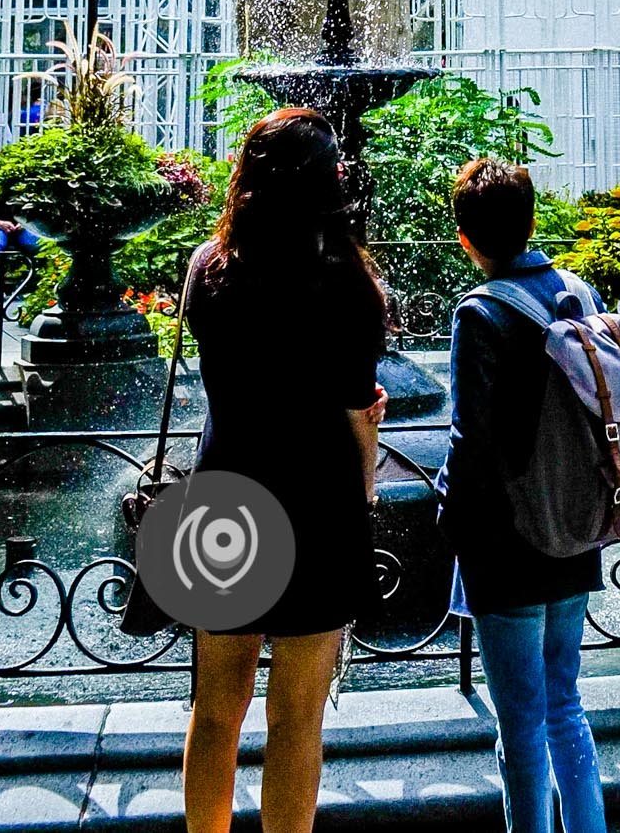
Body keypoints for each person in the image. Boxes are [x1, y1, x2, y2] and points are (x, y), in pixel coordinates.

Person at [180, 108, 387, 833]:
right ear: (328, 184)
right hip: (318, 505)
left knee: (215, 710)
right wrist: (366, 483)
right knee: (296, 717)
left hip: (226, 496)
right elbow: (359, 409)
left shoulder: (210, 267)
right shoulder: (351, 286)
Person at [440, 157, 607, 833]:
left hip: (507, 544)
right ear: (533, 218)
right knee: (564, 703)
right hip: (576, 525)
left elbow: (468, 441)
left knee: (519, 721)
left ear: (465, 238)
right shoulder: (579, 294)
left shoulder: (480, 313)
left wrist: (448, 521)